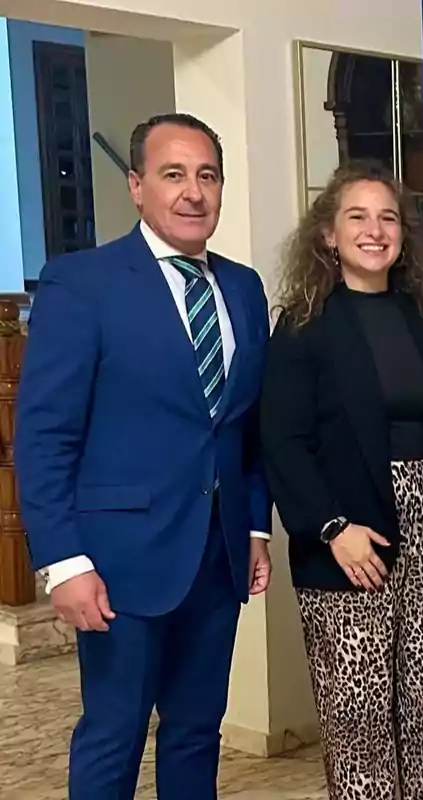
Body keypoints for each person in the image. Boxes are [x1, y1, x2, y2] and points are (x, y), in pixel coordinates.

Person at [14, 112, 272, 798]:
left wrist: (252, 526)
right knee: (114, 735)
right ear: (136, 187)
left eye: (207, 175)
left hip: (218, 560)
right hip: (118, 564)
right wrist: (63, 563)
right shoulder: (82, 284)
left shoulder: (243, 288)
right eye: (173, 175)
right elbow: (44, 437)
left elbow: (246, 428)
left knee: (196, 734)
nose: (194, 192)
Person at [259, 160, 423, 800]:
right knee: (360, 730)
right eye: (356, 217)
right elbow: (281, 443)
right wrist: (332, 528)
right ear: (328, 236)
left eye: (387, 217)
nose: (374, 230)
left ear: (402, 235)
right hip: (346, 546)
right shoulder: (302, 329)